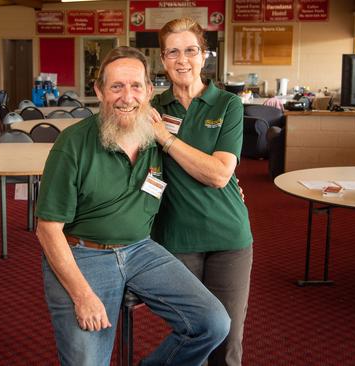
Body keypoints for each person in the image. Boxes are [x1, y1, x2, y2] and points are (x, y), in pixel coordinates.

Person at [35, 46, 230, 366]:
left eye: (136, 86)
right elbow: (47, 230)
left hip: (141, 250)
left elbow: (204, 171)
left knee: (212, 323)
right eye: (116, 87)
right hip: (83, 253)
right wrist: (82, 296)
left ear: (150, 91)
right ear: (99, 91)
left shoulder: (157, 138)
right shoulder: (72, 144)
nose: (128, 97)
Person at [149, 17, 254, 366]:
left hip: (229, 236)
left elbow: (220, 174)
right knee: (194, 333)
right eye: (173, 52)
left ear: (204, 55)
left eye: (191, 50)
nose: (183, 60)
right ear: (162, 59)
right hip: (176, 237)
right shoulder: (152, 109)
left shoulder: (227, 105)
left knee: (227, 343)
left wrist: (165, 138)